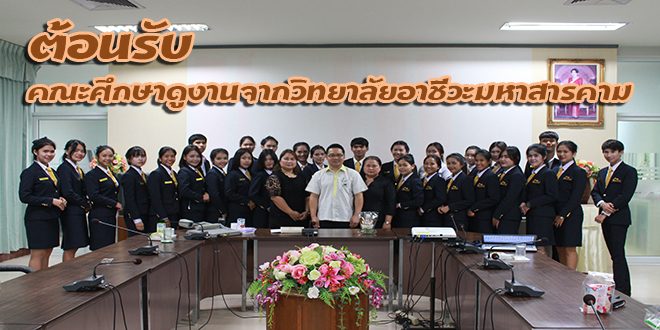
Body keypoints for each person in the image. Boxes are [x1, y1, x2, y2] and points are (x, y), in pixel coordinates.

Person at [591, 139, 638, 297]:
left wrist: (606, 212)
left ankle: (623, 290)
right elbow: (595, 191)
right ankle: (620, 286)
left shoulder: (629, 171)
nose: (608, 155)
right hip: (606, 219)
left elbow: (625, 196)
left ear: (620, 152)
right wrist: (601, 203)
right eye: (605, 152)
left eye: (612, 152)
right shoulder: (603, 172)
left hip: (619, 219)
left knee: (618, 255)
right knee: (614, 254)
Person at [19, 137, 64, 270]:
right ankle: (34, 285)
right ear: (35, 152)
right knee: (38, 253)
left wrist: (61, 198)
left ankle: (43, 283)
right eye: (45, 151)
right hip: (37, 218)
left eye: (52, 151)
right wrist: (51, 201)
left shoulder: (52, 172)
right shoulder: (30, 172)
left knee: (47, 252)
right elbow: (25, 196)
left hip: (51, 217)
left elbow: (53, 191)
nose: (49, 154)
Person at [306, 143, 368, 228]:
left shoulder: (353, 174)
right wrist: (313, 216)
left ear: (344, 157)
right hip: (324, 218)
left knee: (345, 242)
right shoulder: (318, 175)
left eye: (339, 155)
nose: (335, 158)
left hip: (346, 218)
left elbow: (358, 196)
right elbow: (313, 196)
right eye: (332, 155)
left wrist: (357, 215)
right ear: (326, 157)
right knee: (324, 242)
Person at [553, 141, 587, 270]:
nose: (561, 154)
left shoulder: (578, 172)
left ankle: (571, 277)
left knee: (569, 247)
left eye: (565, 152)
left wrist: (562, 215)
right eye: (559, 151)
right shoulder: (555, 170)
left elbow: (576, 197)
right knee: (559, 247)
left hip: (571, 215)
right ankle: (563, 275)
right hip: (556, 214)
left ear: (573, 153)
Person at [520, 144, 558, 255]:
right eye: (530, 156)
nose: (532, 159)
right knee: (534, 246)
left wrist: (530, 204)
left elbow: (552, 195)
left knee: (541, 246)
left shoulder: (548, 173)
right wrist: (524, 202)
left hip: (543, 215)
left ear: (544, 157)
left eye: (536, 155)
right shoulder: (532, 173)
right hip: (533, 214)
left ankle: (544, 271)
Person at [57, 139, 90, 262]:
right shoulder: (64, 168)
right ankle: (67, 273)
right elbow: (68, 192)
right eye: (76, 150)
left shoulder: (77, 168)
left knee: (75, 244)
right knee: (71, 245)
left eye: (82, 151)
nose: (79, 153)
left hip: (77, 210)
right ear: (67, 151)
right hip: (70, 211)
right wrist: (84, 203)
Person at [86, 145, 122, 251]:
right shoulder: (92, 175)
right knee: (100, 245)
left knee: (109, 244)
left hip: (110, 213)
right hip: (99, 214)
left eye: (110, 156)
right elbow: (94, 195)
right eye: (104, 156)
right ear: (97, 157)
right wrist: (114, 203)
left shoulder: (110, 173)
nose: (107, 158)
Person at [266, 149, 310, 228]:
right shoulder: (274, 176)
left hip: (301, 217)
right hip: (281, 217)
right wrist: (290, 212)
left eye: (292, 159)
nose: (289, 161)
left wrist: (306, 211)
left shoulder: (302, 176)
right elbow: (275, 197)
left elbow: (307, 195)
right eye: (286, 159)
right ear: (280, 161)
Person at [492, 147, 525, 234]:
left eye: (506, 157)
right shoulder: (502, 172)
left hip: (509, 216)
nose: (503, 159)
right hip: (501, 214)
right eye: (501, 156)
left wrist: (497, 215)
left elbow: (510, 198)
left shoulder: (517, 175)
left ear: (515, 158)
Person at [438, 153, 475, 232]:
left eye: (454, 163)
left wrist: (449, 207)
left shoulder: (466, 180)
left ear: (461, 164)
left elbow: (469, 200)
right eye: (448, 163)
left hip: (459, 217)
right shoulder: (448, 180)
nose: (451, 166)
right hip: (447, 217)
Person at [467, 149, 501, 233]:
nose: (478, 163)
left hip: (484, 216)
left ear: (489, 161)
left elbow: (493, 198)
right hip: (472, 216)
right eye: (476, 160)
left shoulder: (491, 176)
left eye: (482, 160)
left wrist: (474, 208)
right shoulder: (474, 173)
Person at [120, 146, 152, 235]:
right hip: (135, 215)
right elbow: (129, 199)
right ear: (129, 159)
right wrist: (136, 219)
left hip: (145, 213)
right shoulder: (129, 176)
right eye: (136, 156)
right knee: (136, 242)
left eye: (142, 156)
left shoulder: (143, 175)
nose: (140, 159)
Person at [147, 147, 180, 228]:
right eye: (166, 156)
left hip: (173, 213)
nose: (170, 159)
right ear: (160, 159)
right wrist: (163, 217)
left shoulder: (174, 174)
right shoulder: (156, 174)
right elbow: (155, 198)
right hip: (161, 215)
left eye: (172, 156)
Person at [361, 156, 396, 229]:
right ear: (363, 167)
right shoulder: (358, 180)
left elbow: (390, 203)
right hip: (359, 219)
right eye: (368, 166)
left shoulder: (386, 182)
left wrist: (387, 222)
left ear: (380, 168)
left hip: (379, 220)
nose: (371, 168)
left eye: (374, 166)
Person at [178, 145, 209, 222]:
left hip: (200, 207)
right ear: (185, 157)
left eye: (198, 156)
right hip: (190, 209)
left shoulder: (197, 170)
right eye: (191, 156)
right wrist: (201, 197)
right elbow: (184, 190)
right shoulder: (184, 171)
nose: (195, 159)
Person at [225, 148, 255, 225]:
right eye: (243, 158)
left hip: (250, 209)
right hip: (237, 209)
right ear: (238, 159)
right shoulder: (233, 174)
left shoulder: (251, 173)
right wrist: (247, 201)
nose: (247, 160)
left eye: (249, 158)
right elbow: (229, 193)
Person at [249, 149, 278, 228]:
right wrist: (266, 206)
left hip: (276, 211)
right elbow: (253, 193)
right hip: (262, 211)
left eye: (271, 159)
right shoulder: (260, 175)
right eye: (265, 160)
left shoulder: (277, 174)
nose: (269, 162)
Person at [393, 154, 424, 228]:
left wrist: (401, 205)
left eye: (405, 165)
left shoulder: (415, 181)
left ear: (412, 166)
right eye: (399, 165)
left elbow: (419, 201)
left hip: (409, 217)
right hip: (399, 216)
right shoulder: (400, 178)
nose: (402, 168)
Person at [419, 155, 446, 227]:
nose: (428, 166)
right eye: (426, 163)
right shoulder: (421, 180)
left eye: (432, 164)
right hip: (420, 216)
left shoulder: (439, 180)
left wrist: (423, 209)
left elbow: (440, 199)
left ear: (438, 167)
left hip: (433, 216)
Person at [206, 148, 229, 223]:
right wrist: (223, 210)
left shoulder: (222, 172)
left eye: (225, 158)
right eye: (219, 159)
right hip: (215, 210)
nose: (222, 161)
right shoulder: (212, 174)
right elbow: (214, 194)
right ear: (212, 160)